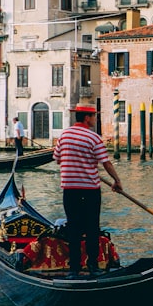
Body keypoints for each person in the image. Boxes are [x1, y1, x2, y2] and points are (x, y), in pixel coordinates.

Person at [54, 104, 123, 276]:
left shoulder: (64, 135)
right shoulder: (93, 138)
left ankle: (74, 269)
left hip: (69, 190)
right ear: (87, 118)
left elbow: (57, 159)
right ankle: (92, 266)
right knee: (92, 228)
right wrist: (117, 180)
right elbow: (105, 162)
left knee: (74, 228)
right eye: (94, 116)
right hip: (90, 190)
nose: (95, 119)